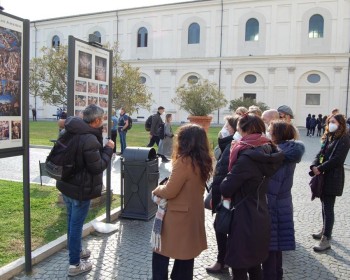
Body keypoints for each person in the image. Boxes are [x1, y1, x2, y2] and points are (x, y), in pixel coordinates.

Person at [220, 113, 284, 280]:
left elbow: (226, 187)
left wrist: (228, 174)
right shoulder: (269, 148)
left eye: (239, 129)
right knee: (255, 263)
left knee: (239, 265)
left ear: (246, 130)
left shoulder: (247, 156)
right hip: (260, 210)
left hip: (243, 215)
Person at [56, 104, 114, 277]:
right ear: (95, 120)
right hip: (79, 189)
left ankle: (77, 250)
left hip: (67, 185)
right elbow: (97, 167)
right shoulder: (88, 139)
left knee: (71, 222)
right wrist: (108, 149)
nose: (103, 121)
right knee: (75, 225)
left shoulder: (70, 131)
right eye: (102, 118)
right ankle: (74, 264)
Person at [151, 124, 213, 280]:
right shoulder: (203, 159)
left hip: (178, 215)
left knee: (160, 252)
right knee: (186, 254)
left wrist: (157, 189)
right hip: (192, 213)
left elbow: (170, 191)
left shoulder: (184, 161)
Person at [262, 120, 305, 280]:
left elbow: (272, 189)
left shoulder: (279, 157)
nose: (268, 132)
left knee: (270, 246)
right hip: (283, 203)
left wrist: (264, 210)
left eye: (270, 130)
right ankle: (277, 274)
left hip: (274, 206)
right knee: (276, 246)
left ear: (277, 134)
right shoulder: (287, 152)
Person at [310, 113, 350, 252]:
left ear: (340, 123)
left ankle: (326, 238)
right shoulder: (329, 136)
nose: (330, 124)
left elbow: (338, 159)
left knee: (328, 207)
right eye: (329, 122)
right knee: (323, 205)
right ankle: (324, 230)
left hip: (333, 176)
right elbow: (320, 153)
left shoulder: (344, 138)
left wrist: (319, 169)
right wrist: (314, 166)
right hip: (323, 175)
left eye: (333, 122)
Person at [205, 115, 239, 274]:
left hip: (227, 197)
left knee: (221, 226)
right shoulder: (228, 144)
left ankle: (223, 260)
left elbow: (226, 171)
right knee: (220, 225)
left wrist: (221, 196)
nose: (223, 128)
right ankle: (225, 259)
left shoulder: (234, 145)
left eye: (226, 125)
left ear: (233, 128)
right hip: (224, 195)